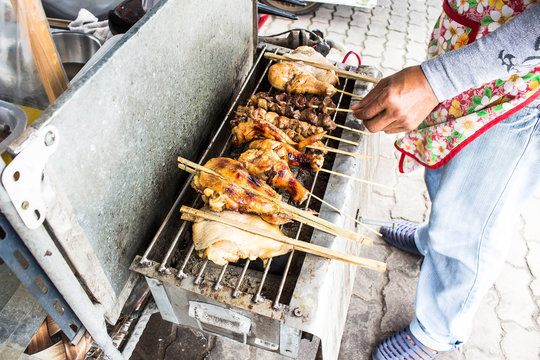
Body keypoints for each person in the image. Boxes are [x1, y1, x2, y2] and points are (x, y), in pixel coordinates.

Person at [352, 2, 540, 359]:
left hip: (518, 90)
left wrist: (435, 81)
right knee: (446, 179)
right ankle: (430, 239)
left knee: (472, 222)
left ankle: (437, 332)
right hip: (465, 53)